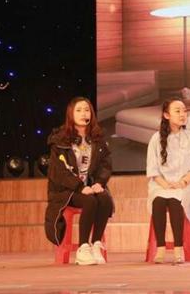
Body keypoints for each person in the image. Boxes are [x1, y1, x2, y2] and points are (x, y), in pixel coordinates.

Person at [44, 97, 113, 265]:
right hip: (66, 191)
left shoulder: (98, 139)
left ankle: (96, 244)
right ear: (71, 114)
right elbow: (58, 173)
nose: (84, 114)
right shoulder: (60, 140)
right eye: (79, 110)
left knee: (105, 198)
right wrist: (80, 187)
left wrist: (99, 183)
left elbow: (105, 164)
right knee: (90, 201)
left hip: (90, 185)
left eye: (87, 110)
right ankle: (83, 247)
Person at [147, 99, 190, 265]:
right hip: (161, 184)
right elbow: (152, 168)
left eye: (184, 111)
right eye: (178, 111)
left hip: (186, 184)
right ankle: (160, 247)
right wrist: (165, 184)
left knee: (175, 202)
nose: (183, 115)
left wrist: (183, 182)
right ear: (166, 115)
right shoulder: (156, 138)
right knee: (158, 202)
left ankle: (178, 248)